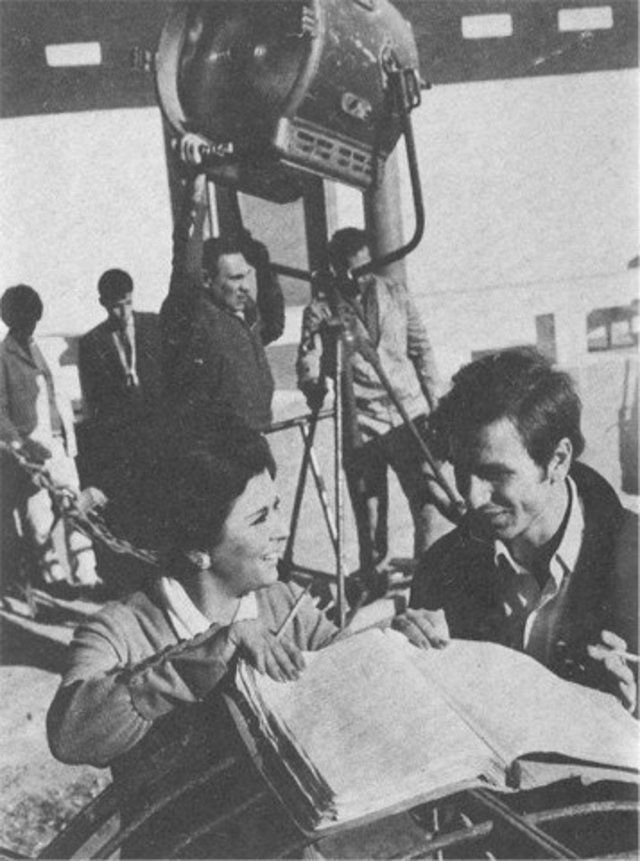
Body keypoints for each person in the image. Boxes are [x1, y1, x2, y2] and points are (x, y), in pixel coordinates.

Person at [46, 429, 433, 856]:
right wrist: (203, 656)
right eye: (259, 518)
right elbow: (70, 737)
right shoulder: (120, 630)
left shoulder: (284, 604)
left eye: (277, 508)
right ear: (198, 549)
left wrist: (395, 644)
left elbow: (345, 677)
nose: (282, 531)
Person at [408, 348, 637, 711]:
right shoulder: (440, 570)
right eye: (462, 470)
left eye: (496, 474)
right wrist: (405, 665)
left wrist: (632, 711)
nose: (472, 497)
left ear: (558, 460)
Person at [297, 227, 451, 599]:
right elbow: (308, 359)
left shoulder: (396, 294)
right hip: (360, 422)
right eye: (352, 270)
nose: (361, 278)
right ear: (337, 269)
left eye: (366, 268)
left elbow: (422, 350)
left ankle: (427, 576)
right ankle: (375, 580)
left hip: (408, 415)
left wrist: (439, 407)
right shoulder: (321, 309)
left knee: (427, 500)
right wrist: (313, 380)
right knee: (369, 513)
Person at [160, 136, 284, 440]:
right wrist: (197, 180)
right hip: (219, 445)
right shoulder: (196, 314)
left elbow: (274, 325)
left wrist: (263, 264)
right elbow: (186, 260)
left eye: (246, 276)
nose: (245, 288)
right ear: (207, 280)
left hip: (255, 436)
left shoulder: (247, 315)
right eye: (235, 279)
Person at [0, 284, 98, 589]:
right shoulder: (3, 356)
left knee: (76, 510)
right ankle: (53, 579)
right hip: (30, 452)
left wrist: (68, 438)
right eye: (23, 320)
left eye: (33, 319)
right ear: (10, 319)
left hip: (60, 445)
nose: (30, 326)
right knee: (39, 518)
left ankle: (88, 575)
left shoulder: (43, 348)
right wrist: (19, 446)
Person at [77, 269, 162, 591]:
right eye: (114, 306)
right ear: (102, 303)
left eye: (126, 303)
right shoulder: (92, 343)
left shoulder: (155, 326)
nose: (121, 312)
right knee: (132, 515)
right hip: (123, 447)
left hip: (158, 439)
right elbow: (94, 407)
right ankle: (137, 583)